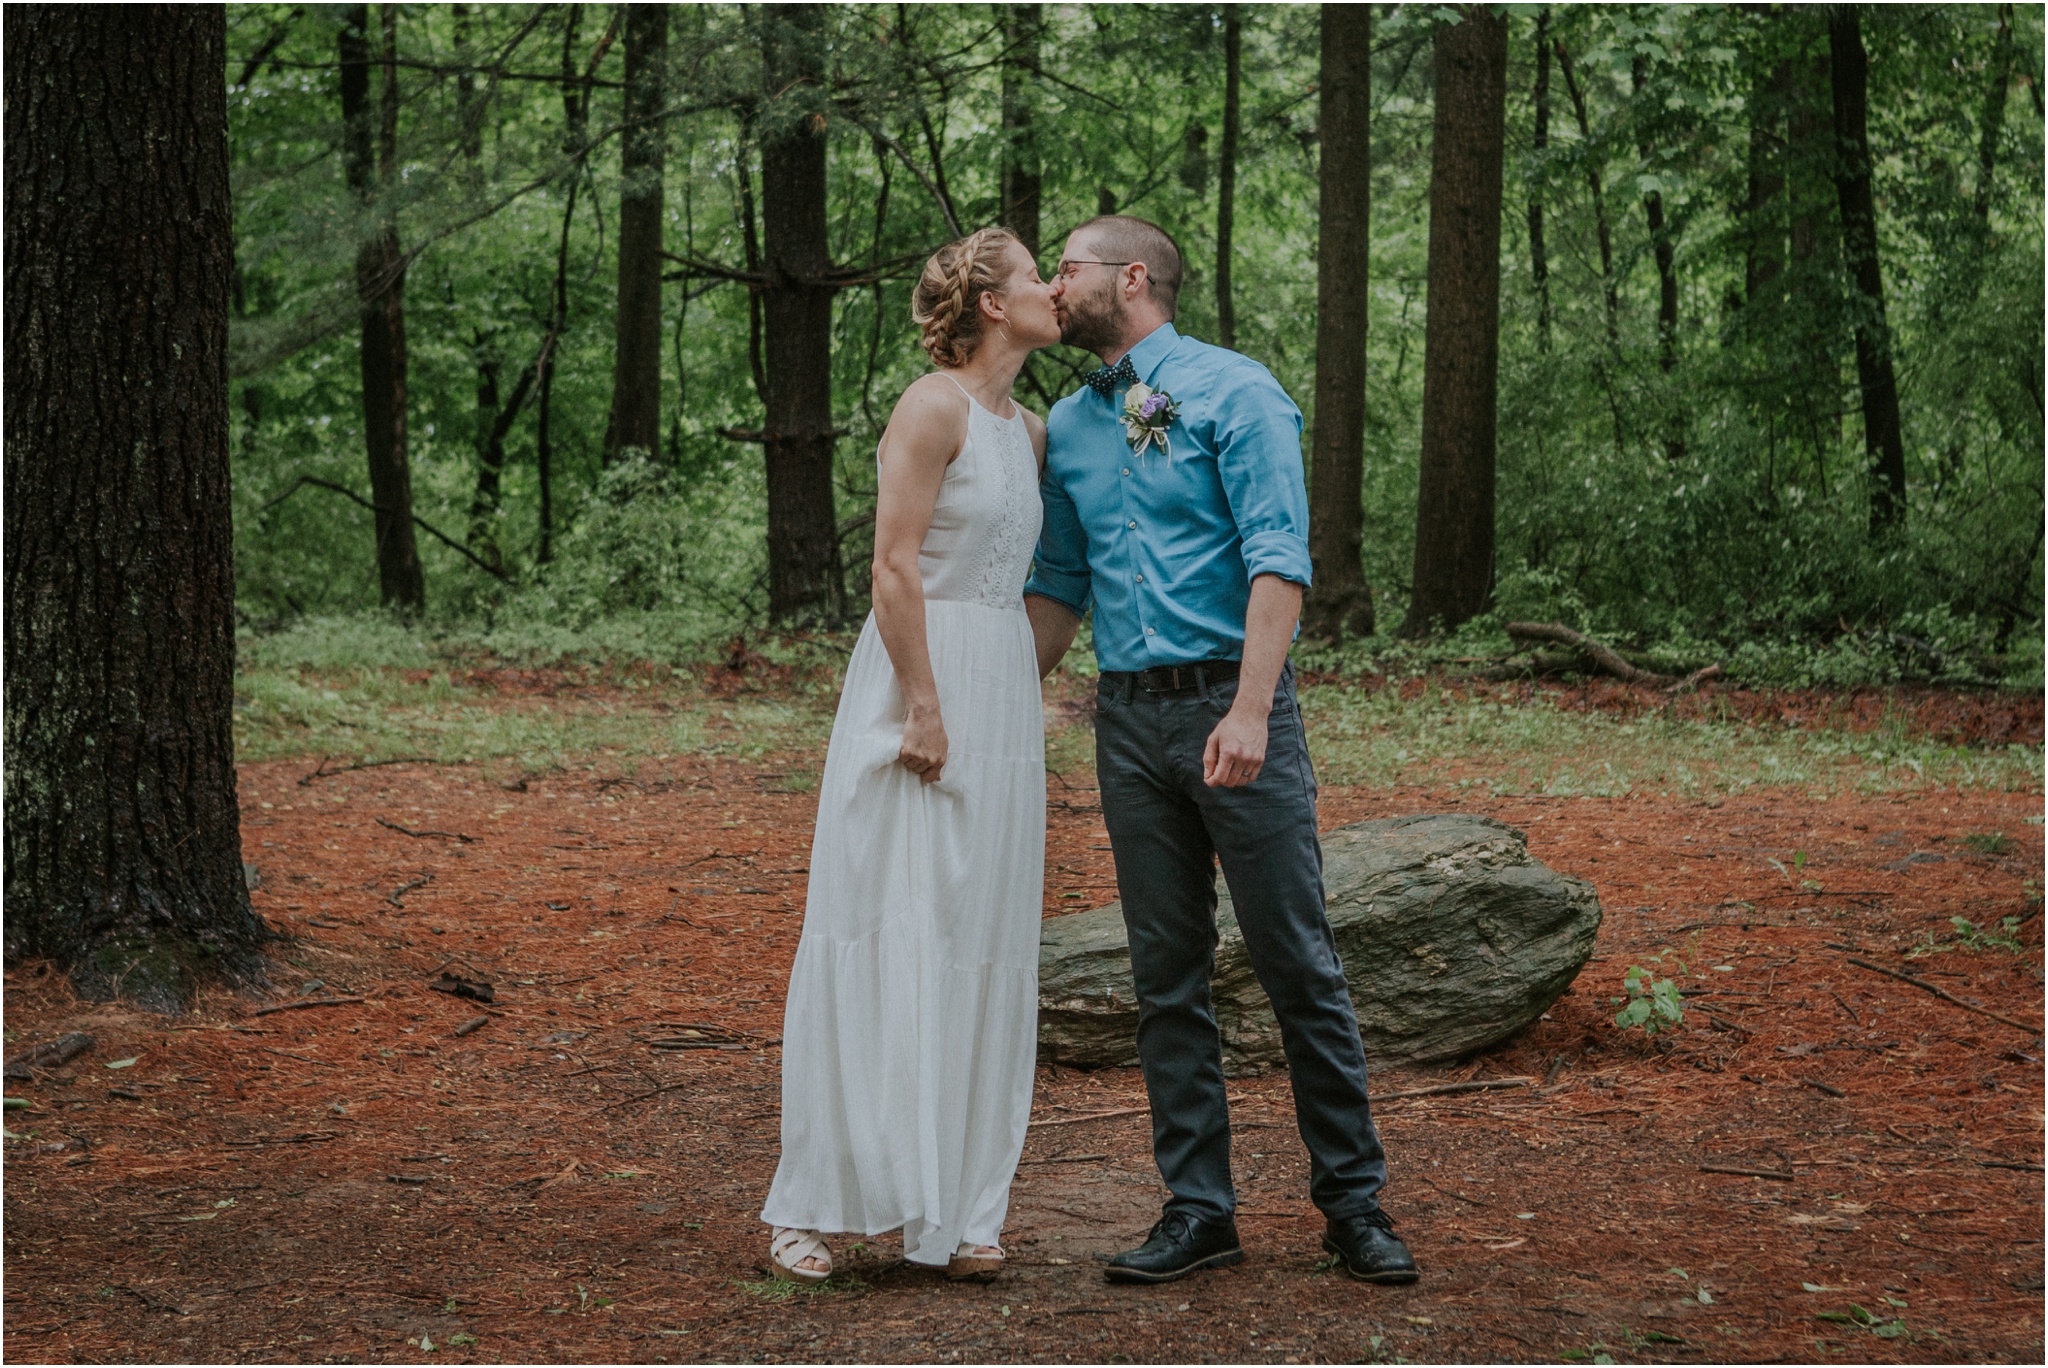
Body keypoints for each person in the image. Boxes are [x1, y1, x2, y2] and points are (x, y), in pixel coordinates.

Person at [1023, 215, 1420, 1287]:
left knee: (1296, 959)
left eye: (1066, 268)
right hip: (1126, 725)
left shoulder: (1234, 391)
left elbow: (1276, 559)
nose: (1052, 287)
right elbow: (1057, 589)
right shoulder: (1066, 421)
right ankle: (1199, 1210)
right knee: (1165, 975)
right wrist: (994, 699)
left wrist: (1247, 712)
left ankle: (1353, 1204)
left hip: (1231, 708)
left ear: (1132, 277)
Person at [761, 228, 1062, 1285]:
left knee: (982, 938)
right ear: (988, 301)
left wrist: (1023, 693)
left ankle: (964, 1212)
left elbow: (1031, 583)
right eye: (1034, 276)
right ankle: (811, 1203)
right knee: (886, 920)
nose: (1051, 288)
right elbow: (892, 567)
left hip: (1001, 689)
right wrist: (924, 706)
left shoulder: (1027, 431)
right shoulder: (929, 407)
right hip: (913, 680)